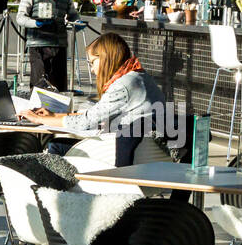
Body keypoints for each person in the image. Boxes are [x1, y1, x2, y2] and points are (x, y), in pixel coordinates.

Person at [22, 32, 172, 169]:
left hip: (116, 155)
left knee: (56, 145)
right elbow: (94, 115)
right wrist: (53, 116)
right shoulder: (139, 77)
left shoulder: (123, 86)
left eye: (92, 62)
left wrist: (38, 119)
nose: (92, 70)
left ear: (105, 58)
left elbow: (85, 122)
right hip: (148, 154)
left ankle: (60, 196)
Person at [15, 0, 78, 91]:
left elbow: (72, 14)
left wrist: (77, 24)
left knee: (59, 87)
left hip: (59, 45)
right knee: (39, 87)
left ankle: (57, 112)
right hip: (38, 44)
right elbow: (20, 17)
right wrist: (35, 23)